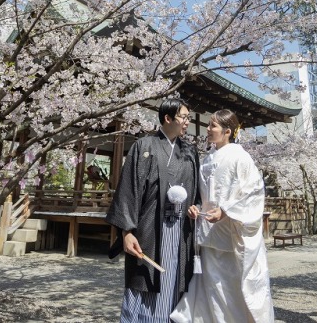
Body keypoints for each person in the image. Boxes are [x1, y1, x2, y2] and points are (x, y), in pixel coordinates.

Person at [170, 109, 274, 323]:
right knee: (212, 289)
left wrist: (226, 211)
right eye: (208, 124)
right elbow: (203, 194)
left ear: (228, 131)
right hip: (208, 232)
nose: (208, 129)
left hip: (231, 234)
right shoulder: (207, 158)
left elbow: (253, 192)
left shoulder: (240, 157)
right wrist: (196, 207)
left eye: (213, 126)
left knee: (230, 289)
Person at [106, 98, 200, 323]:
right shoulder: (144, 146)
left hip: (180, 230)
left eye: (188, 117)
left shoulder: (189, 152)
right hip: (148, 229)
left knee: (174, 279)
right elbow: (128, 189)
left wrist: (196, 206)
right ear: (167, 118)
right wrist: (126, 232)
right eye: (183, 117)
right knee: (145, 277)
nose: (187, 121)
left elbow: (196, 191)